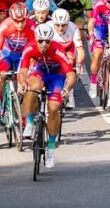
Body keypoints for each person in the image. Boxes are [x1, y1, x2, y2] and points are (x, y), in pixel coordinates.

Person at [19, 23, 76, 168]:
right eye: (40, 41)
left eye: (47, 41)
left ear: (51, 41)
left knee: (53, 108)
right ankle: (30, 122)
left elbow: (70, 73)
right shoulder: (30, 47)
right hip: (40, 72)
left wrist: (68, 88)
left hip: (57, 76)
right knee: (32, 87)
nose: (44, 44)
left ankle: (51, 147)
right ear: (36, 39)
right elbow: (24, 71)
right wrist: (22, 83)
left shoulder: (57, 49)